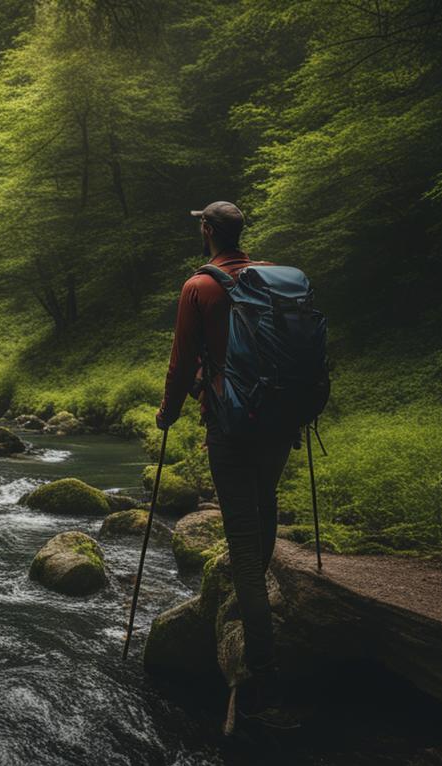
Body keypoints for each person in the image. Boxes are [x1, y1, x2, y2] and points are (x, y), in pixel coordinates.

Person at [155, 201, 297, 730]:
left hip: (231, 424)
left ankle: (262, 672)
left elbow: (182, 357)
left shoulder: (199, 287)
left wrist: (168, 412)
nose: (200, 229)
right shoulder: (268, 280)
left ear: (209, 230)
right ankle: (257, 604)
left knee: (240, 536)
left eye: (200, 224)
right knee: (263, 506)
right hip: (279, 420)